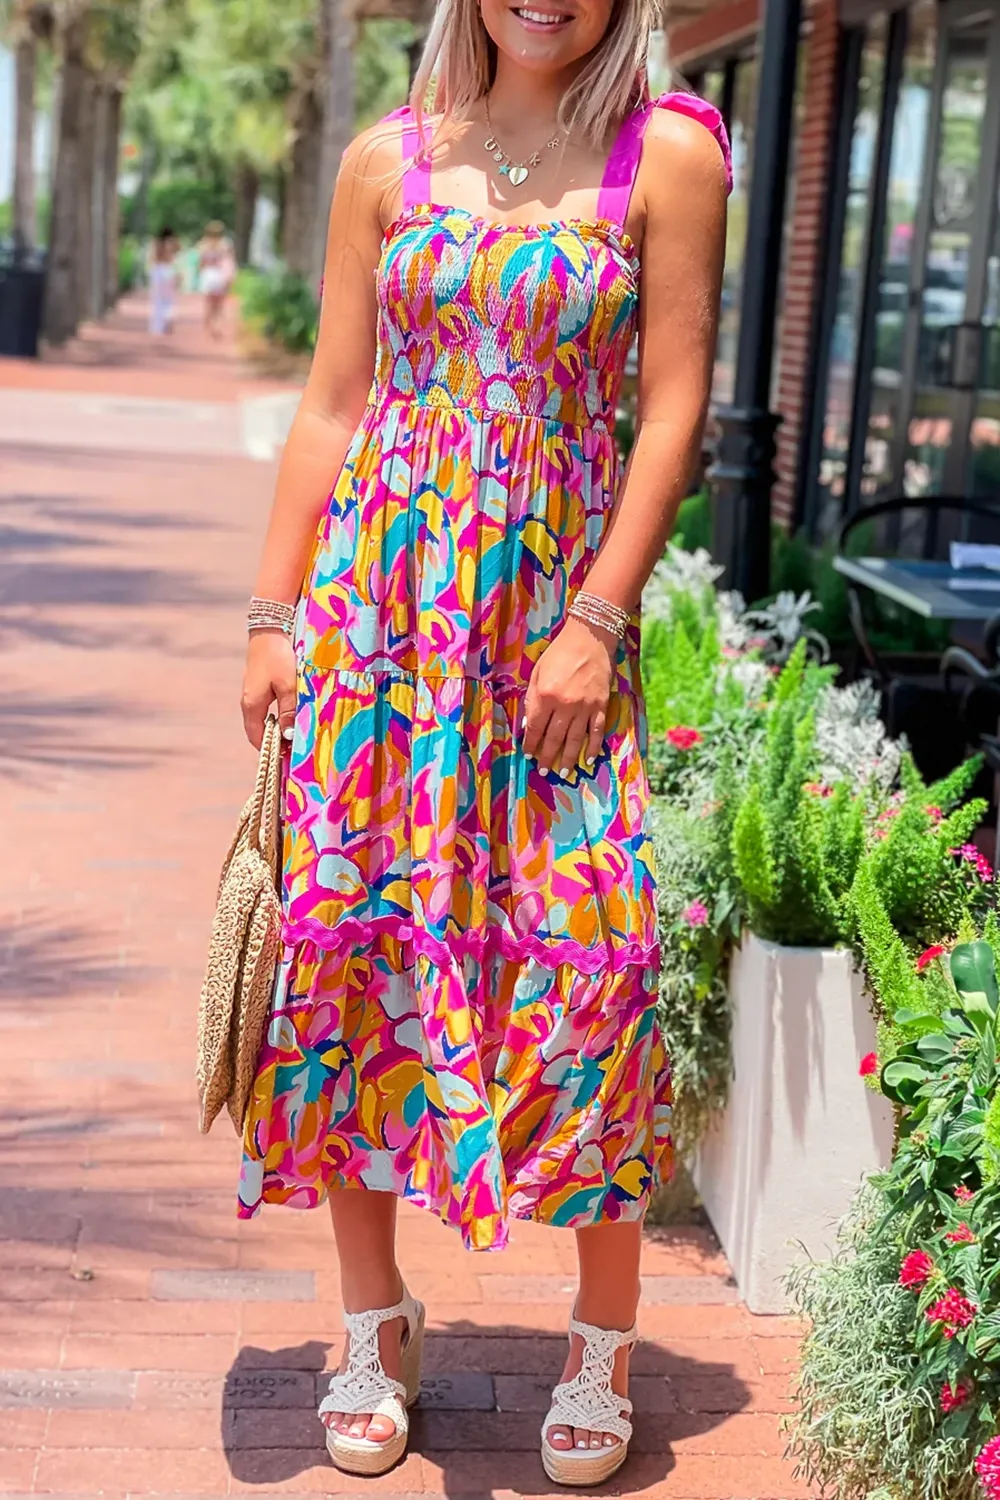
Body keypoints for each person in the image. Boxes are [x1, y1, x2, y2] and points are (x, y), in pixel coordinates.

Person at [237, 0, 730, 1483]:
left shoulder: (672, 153)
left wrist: (601, 618)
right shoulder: (386, 160)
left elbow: (674, 405)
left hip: (550, 638)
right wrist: (274, 613)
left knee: (592, 965)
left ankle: (602, 1334)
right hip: (383, 629)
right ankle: (373, 1322)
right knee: (347, 958)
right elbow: (335, 404)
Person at [197, 220, 234, 339]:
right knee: (219, 303)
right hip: (219, 274)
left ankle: (209, 324)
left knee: (209, 302)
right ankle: (215, 325)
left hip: (208, 274)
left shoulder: (203, 245)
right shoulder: (225, 244)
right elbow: (229, 261)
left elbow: (201, 263)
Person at [147, 226, 179, 336]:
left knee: (157, 299)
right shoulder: (172, 244)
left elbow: (151, 258)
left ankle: (158, 326)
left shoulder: (156, 243)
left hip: (158, 270)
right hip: (168, 270)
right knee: (169, 299)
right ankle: (168, 318)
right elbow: (175, 256)